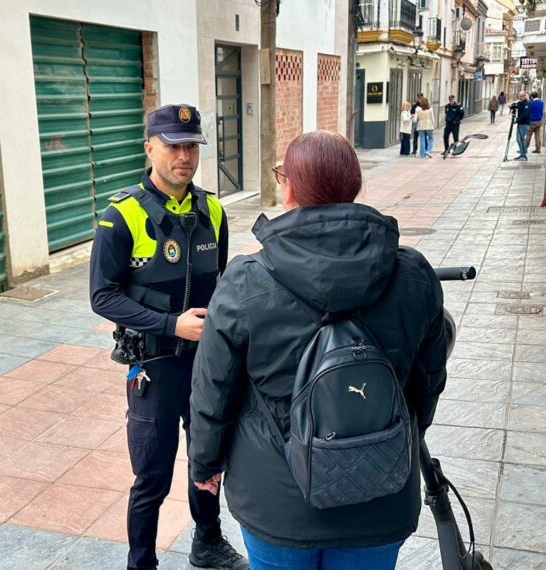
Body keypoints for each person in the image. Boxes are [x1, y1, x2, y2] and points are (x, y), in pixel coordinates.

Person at [188, 130, 451, 570]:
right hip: (380, 493)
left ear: (288, 187)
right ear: (355, 185)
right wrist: (403, 436)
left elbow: (213, 390)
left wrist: (205, 464)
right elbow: (428, 382)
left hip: (276, 500)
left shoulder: (245, 282)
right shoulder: (414, 275)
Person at [88, 103, 246, 570]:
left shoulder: (212, 210)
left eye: (191, 146)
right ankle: (142, 564)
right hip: (154, 368)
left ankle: (208, 542)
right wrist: (170, 324)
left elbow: (218, 283)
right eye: (174, 146)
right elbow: (102, 297)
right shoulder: (122, 217)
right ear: (150, 147)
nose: (184, 156)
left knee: (207, 463)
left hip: (206, 365)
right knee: (151, 478)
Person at [512, 91, 531, 161]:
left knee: (520, 139)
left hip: (524, 124)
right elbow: (519, 107)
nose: (520, 97)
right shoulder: (520, 103)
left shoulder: (527, 104)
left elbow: (525, 115)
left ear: (525, 96)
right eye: (519, 96)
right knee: (520, 139)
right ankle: (523, 152)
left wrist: (517, 120)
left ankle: (523, 155)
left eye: (521, 96)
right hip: (521, 123)